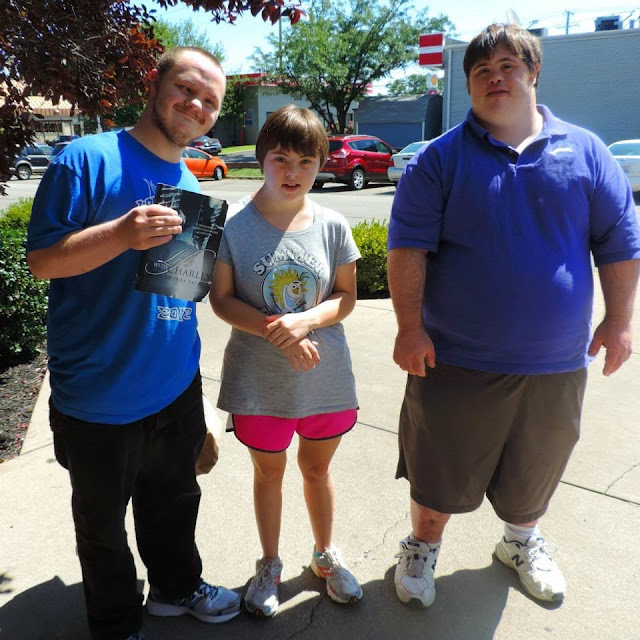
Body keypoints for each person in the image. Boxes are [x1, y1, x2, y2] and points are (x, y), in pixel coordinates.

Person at [387, 23, 640, 608]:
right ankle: (423, 546)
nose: (495, 77)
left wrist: (620, 320)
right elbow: (407, 248)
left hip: (556, 361)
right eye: (481, 70)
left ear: (534, 73)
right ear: (469, 83)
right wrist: (409, 328)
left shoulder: (587, 151)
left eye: (508, 65)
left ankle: (520, 542)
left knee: (536, 467)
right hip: (454, 358)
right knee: (438, 469)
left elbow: (619, 242)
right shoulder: (439, 159)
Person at [26, 47, 241, 640]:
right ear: (155, 83)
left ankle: (176, 588)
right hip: (99, 390)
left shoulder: (188, 179)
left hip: (174, 382)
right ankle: (117, 624)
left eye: (210, 101)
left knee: (174, 500)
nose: (196, 105)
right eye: (187, 89)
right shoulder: (85, 159)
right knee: (102, 527)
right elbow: (42, 261)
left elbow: (179, 291)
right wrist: (122, 233)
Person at [209, 105, 363, 617]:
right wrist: (278, 330)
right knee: (269, 473)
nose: (292, 171)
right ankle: (270, 563)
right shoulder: (234, 224)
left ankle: (325, 554)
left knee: (317, 470)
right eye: (281, 158)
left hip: (324, 377)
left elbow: (346, 296)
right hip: (260, 382)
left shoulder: (333, 224)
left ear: (320, 164)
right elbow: (222, 300)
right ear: (261, 158)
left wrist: (306, 321)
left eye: (305, 161)